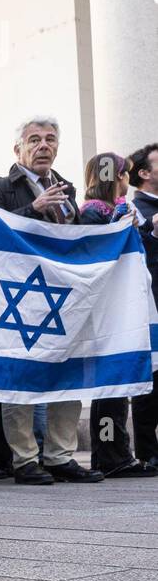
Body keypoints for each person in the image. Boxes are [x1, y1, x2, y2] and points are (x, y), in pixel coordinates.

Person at [0, 116, 102, 485]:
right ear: (17, 149)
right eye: (34, 139)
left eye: (50, 139)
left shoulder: (65, 188)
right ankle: (24, 460)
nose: (43, 146)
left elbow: (76, 239)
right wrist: (33, 209)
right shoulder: (0, 188)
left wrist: (114, 230)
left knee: (67, 373)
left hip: (62, 296)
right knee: (22, 376)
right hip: (20, 294)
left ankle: (60, 456)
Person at [80, 152, 158, 478]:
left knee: (118, 382)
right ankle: (109, 456)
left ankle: (117, 453)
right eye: (124, 174)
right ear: (115, 177)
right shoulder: (93, 211)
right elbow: (97, 250)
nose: (127, 180)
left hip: (121, 305)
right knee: (109, 383)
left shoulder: (119, 210)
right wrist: (121, 225)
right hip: (106, 307)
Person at [126, 144, 158, 471]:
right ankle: (148, 451)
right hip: (152, 301)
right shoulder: (135, 208)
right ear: (145, 173)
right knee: (153, 378)